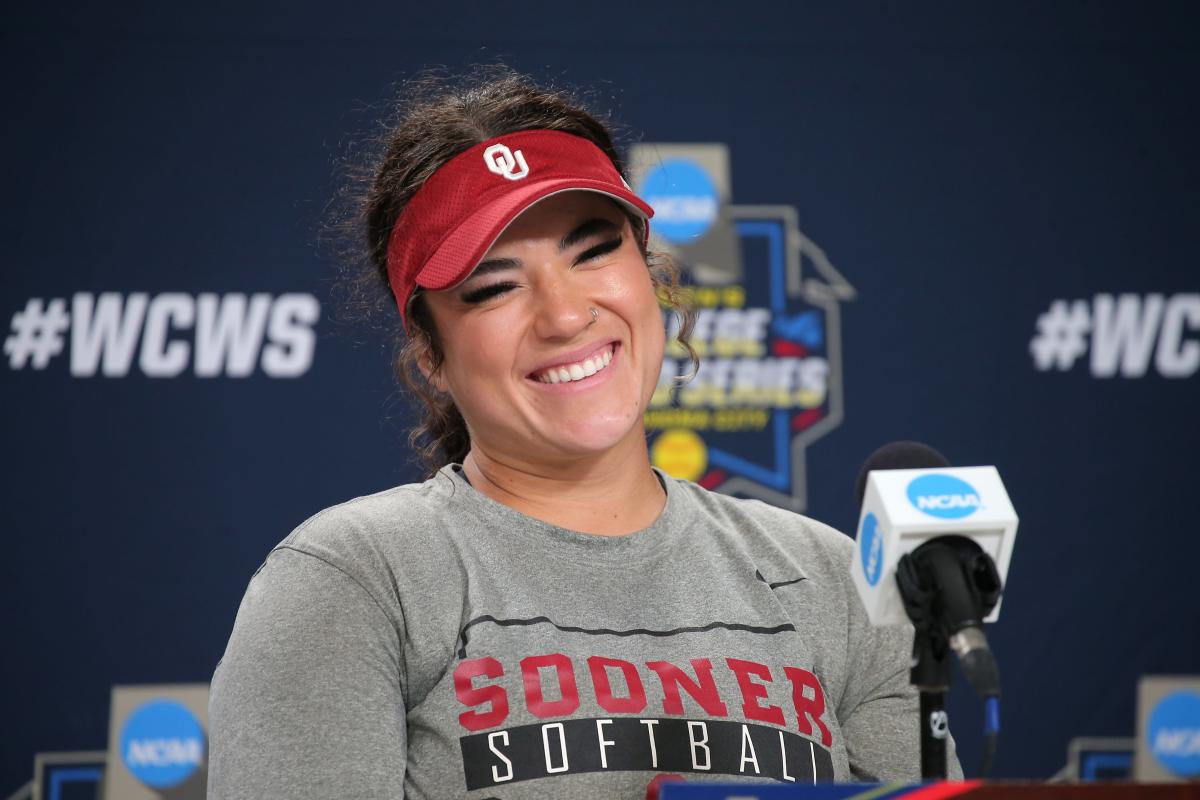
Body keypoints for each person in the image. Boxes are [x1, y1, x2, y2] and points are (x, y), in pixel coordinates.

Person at [207, 68, 960, 799]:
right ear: (431, 354)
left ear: (650, 271)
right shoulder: (356, 580)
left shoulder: (827, 579)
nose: (565, 315)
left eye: (593, 250)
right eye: (495, 287)